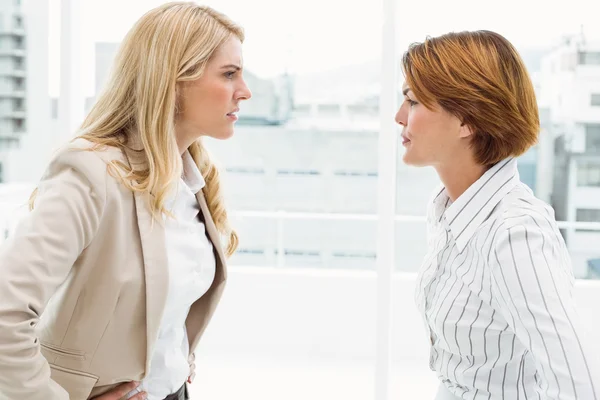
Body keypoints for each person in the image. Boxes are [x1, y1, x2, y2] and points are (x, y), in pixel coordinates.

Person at [0, 2, 251, 399]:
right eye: (229, 73)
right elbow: (5, 313)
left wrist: (172, 355)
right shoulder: (91, 171)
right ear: (174, 79)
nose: (245, 91)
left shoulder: (194, 181)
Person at [396, 30, 599, 399]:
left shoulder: (514, 234)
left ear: (466, 120)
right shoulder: (450, 212)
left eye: (412, 102)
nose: (399, 117)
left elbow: (579, 385)